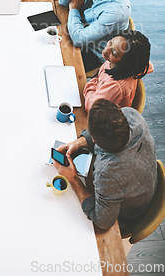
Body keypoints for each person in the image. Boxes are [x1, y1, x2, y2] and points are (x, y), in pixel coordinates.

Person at [55, 99, 157, 233]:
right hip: (143, 184)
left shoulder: (108, 174)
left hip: (126, 218)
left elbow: (103, 221)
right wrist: (79, 142)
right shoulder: (132, 115)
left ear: (94, 140)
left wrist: (73, 178)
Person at [58, 0, 131, 72]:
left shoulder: (116, 11)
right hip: (76, 27)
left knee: (55, 65)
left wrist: (74, 9)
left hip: (92, 51)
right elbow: (63, 1)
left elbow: (78, 39)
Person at [84, 30, 154, 111]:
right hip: (100, 94)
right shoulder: (129, 65)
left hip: (100, 116)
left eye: (114, 53)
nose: (107, 50)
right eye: (111, 42)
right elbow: (149, 65)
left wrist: (93, 80)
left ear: (125, 63)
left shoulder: (115, 87)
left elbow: (91, 107)